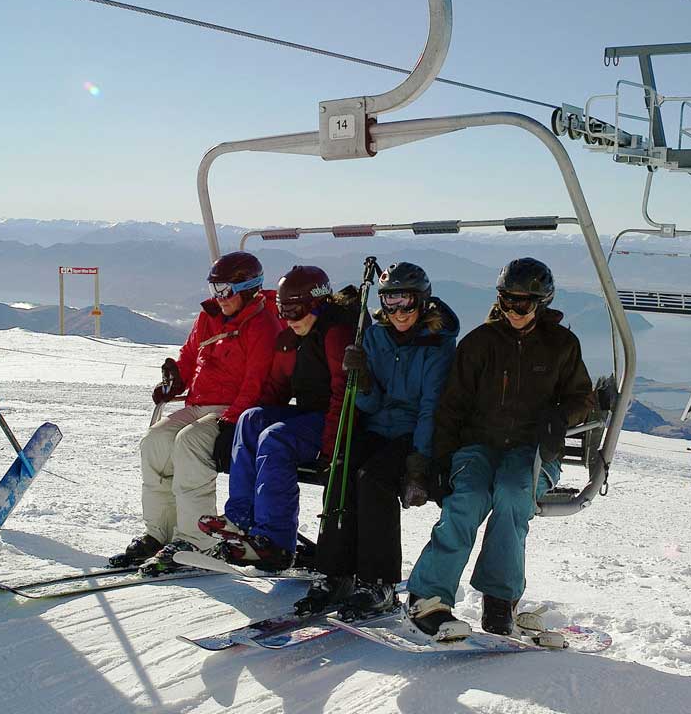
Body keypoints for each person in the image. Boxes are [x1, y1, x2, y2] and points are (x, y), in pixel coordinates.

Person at [405, 257, 596, 640]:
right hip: (479, 445)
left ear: (540, 303)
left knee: (513, 495)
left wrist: (559, 418)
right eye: (506, 301)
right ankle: (427, 598)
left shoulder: (561, 345)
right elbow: (452, 406)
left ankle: (498, 600)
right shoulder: (481, 343)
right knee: (468, 498)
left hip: (531, 450)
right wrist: (440, 462)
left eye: (522, 304)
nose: (513, 311)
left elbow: (582, 399)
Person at [293, 262, 459, 618]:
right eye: (389, 303)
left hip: (413, 433)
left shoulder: (438, 344)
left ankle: (379, 582)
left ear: (423, 301)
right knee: (341, 470)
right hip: (377, 425)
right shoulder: (374, 336)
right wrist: (363, 379)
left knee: (374, 479)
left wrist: (419, 461)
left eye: (406, 303)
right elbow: (370, 403)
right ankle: (335, 572)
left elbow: (431, 408)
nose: (398, 312)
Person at [108, 251, 281, 574]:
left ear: (249, 288)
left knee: (189, 443)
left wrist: (233, 421)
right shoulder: (209, 317)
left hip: (236, 411)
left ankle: (194, 540)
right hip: (199, 404)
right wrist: (175, 380)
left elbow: (255, 381)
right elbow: (190, 356)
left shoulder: (262, 324)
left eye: (226, 290)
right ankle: (160, 533)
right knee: (155, 442)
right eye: (215, 290)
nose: (220, 298)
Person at [198, 265, 355, 571]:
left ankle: (276, 542)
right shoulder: (290, 339)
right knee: (252, 418)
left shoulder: (336, 335)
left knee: (276, 438)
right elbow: (274, 392)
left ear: (317, 305)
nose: (289, 320)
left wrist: (330, 449)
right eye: (283, 311)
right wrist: (241, 432)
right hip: (310, 416)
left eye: (295, 312)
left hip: (337, 422)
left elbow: (343, 397)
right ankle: (241, 518)